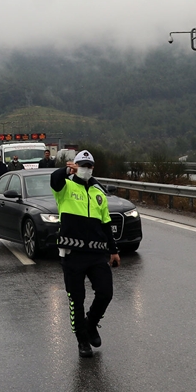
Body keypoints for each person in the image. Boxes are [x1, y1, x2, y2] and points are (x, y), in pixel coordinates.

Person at [50, 150, 119, 358]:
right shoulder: (65, 187)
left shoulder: (99, 193)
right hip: (73, 254)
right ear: (75, 166)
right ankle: (82, 341)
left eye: (89, 166)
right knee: (76, 300)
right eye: (82, 165)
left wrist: (113, 251)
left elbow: (106, 223)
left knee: (106, 292)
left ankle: (90, 324)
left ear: (93, 168)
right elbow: (54, 180)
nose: (86, 169)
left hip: (97, 254)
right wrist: (65, 170)